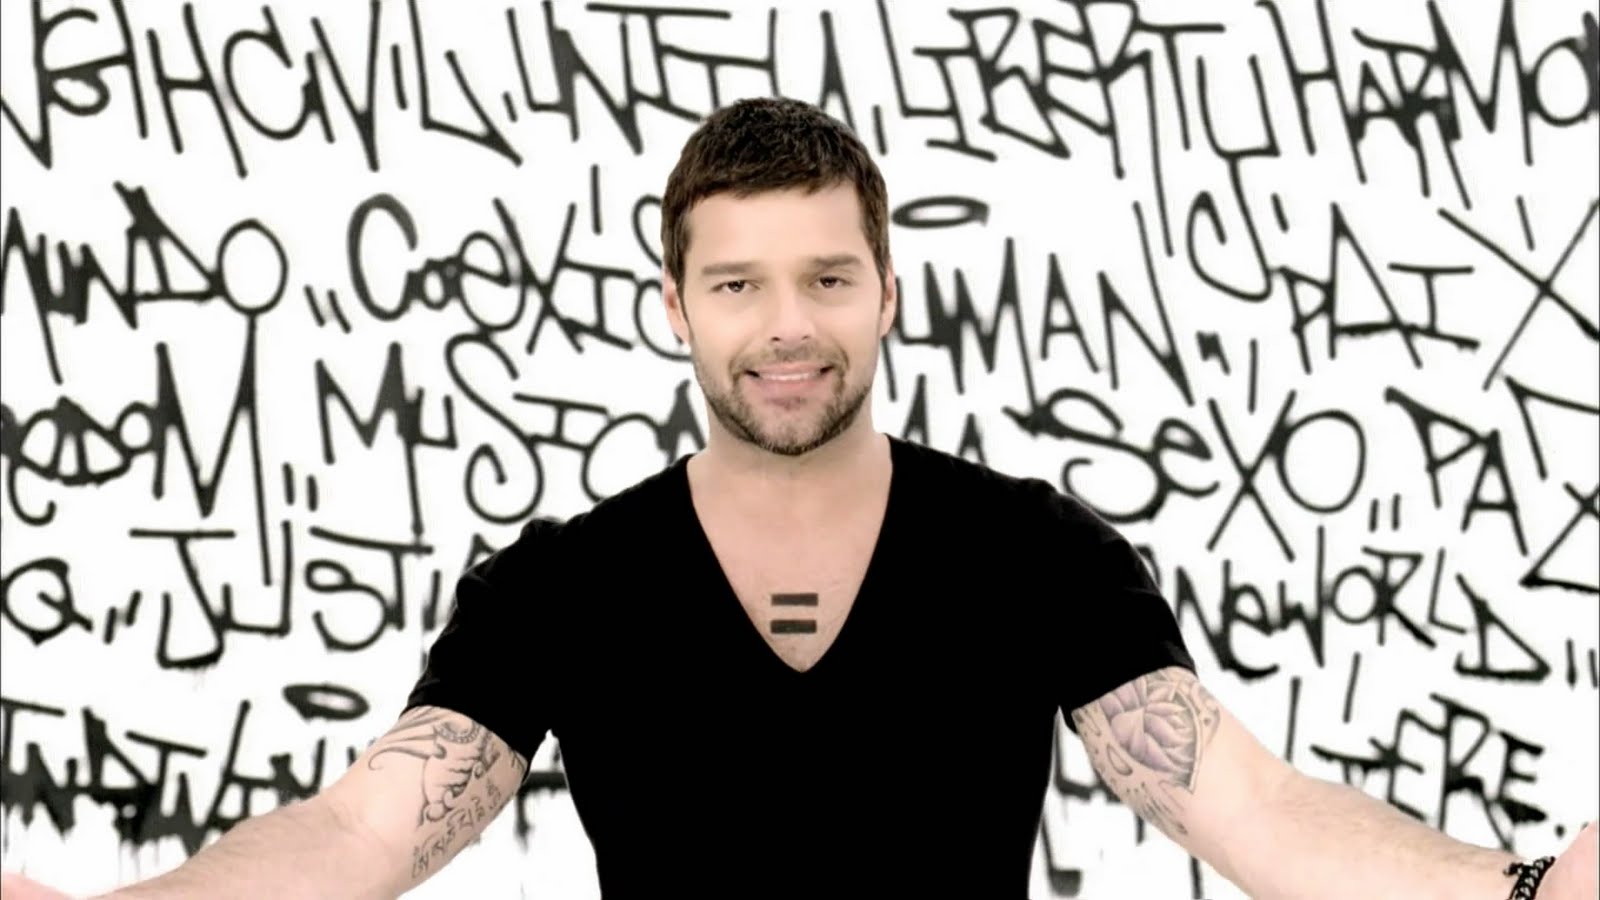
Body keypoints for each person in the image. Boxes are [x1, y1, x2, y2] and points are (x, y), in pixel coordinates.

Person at [4, 97, 1595, 900]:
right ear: (676, 306)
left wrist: (1521, 893)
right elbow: (366, 829)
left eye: (828, 277)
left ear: (888, 291)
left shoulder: (1033, 554)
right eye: (740, 284)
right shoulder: (564, 584)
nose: (787, 326)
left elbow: (1237, 801)